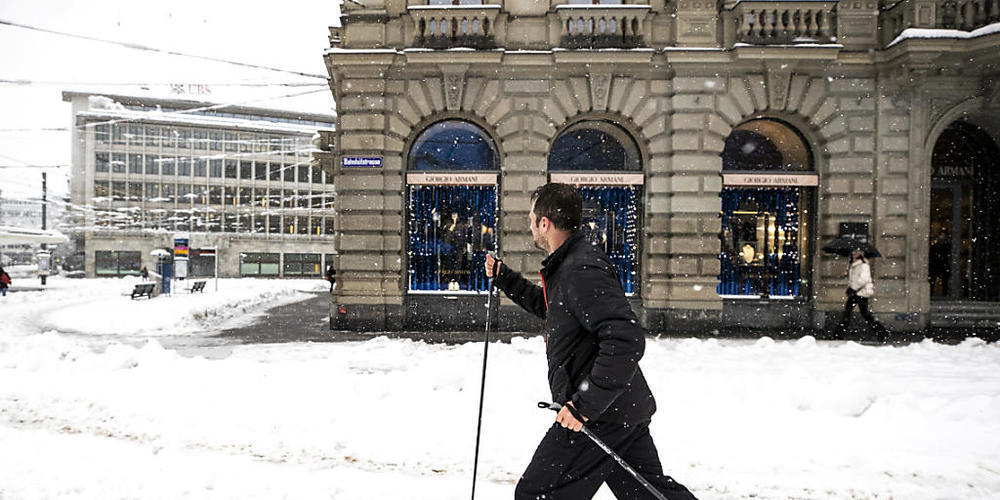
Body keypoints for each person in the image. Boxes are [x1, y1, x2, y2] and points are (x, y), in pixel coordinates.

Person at [485, 183, 697, 500]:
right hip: (619, 409)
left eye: (531, 218)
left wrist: (583, 406)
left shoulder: (580, 269)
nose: (529, 225)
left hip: (598, 416)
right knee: (649, 494)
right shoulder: (570, 264)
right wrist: (505, 278)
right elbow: (553, 309)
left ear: (545, 223)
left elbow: (625, 339)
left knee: (538, 494)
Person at [834, 248, 889, 342]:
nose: (854, 254)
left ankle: (882, 332)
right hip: (856, 293)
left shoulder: (863, 265)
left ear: (861, 254)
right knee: (849, 313)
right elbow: (853, 279)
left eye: (856, 253)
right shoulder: (853, 264)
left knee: (863, 314)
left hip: (861, 293)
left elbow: (864, 279)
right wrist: (850, 286)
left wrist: (853, 288)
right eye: (853, 252)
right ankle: (839, 334)